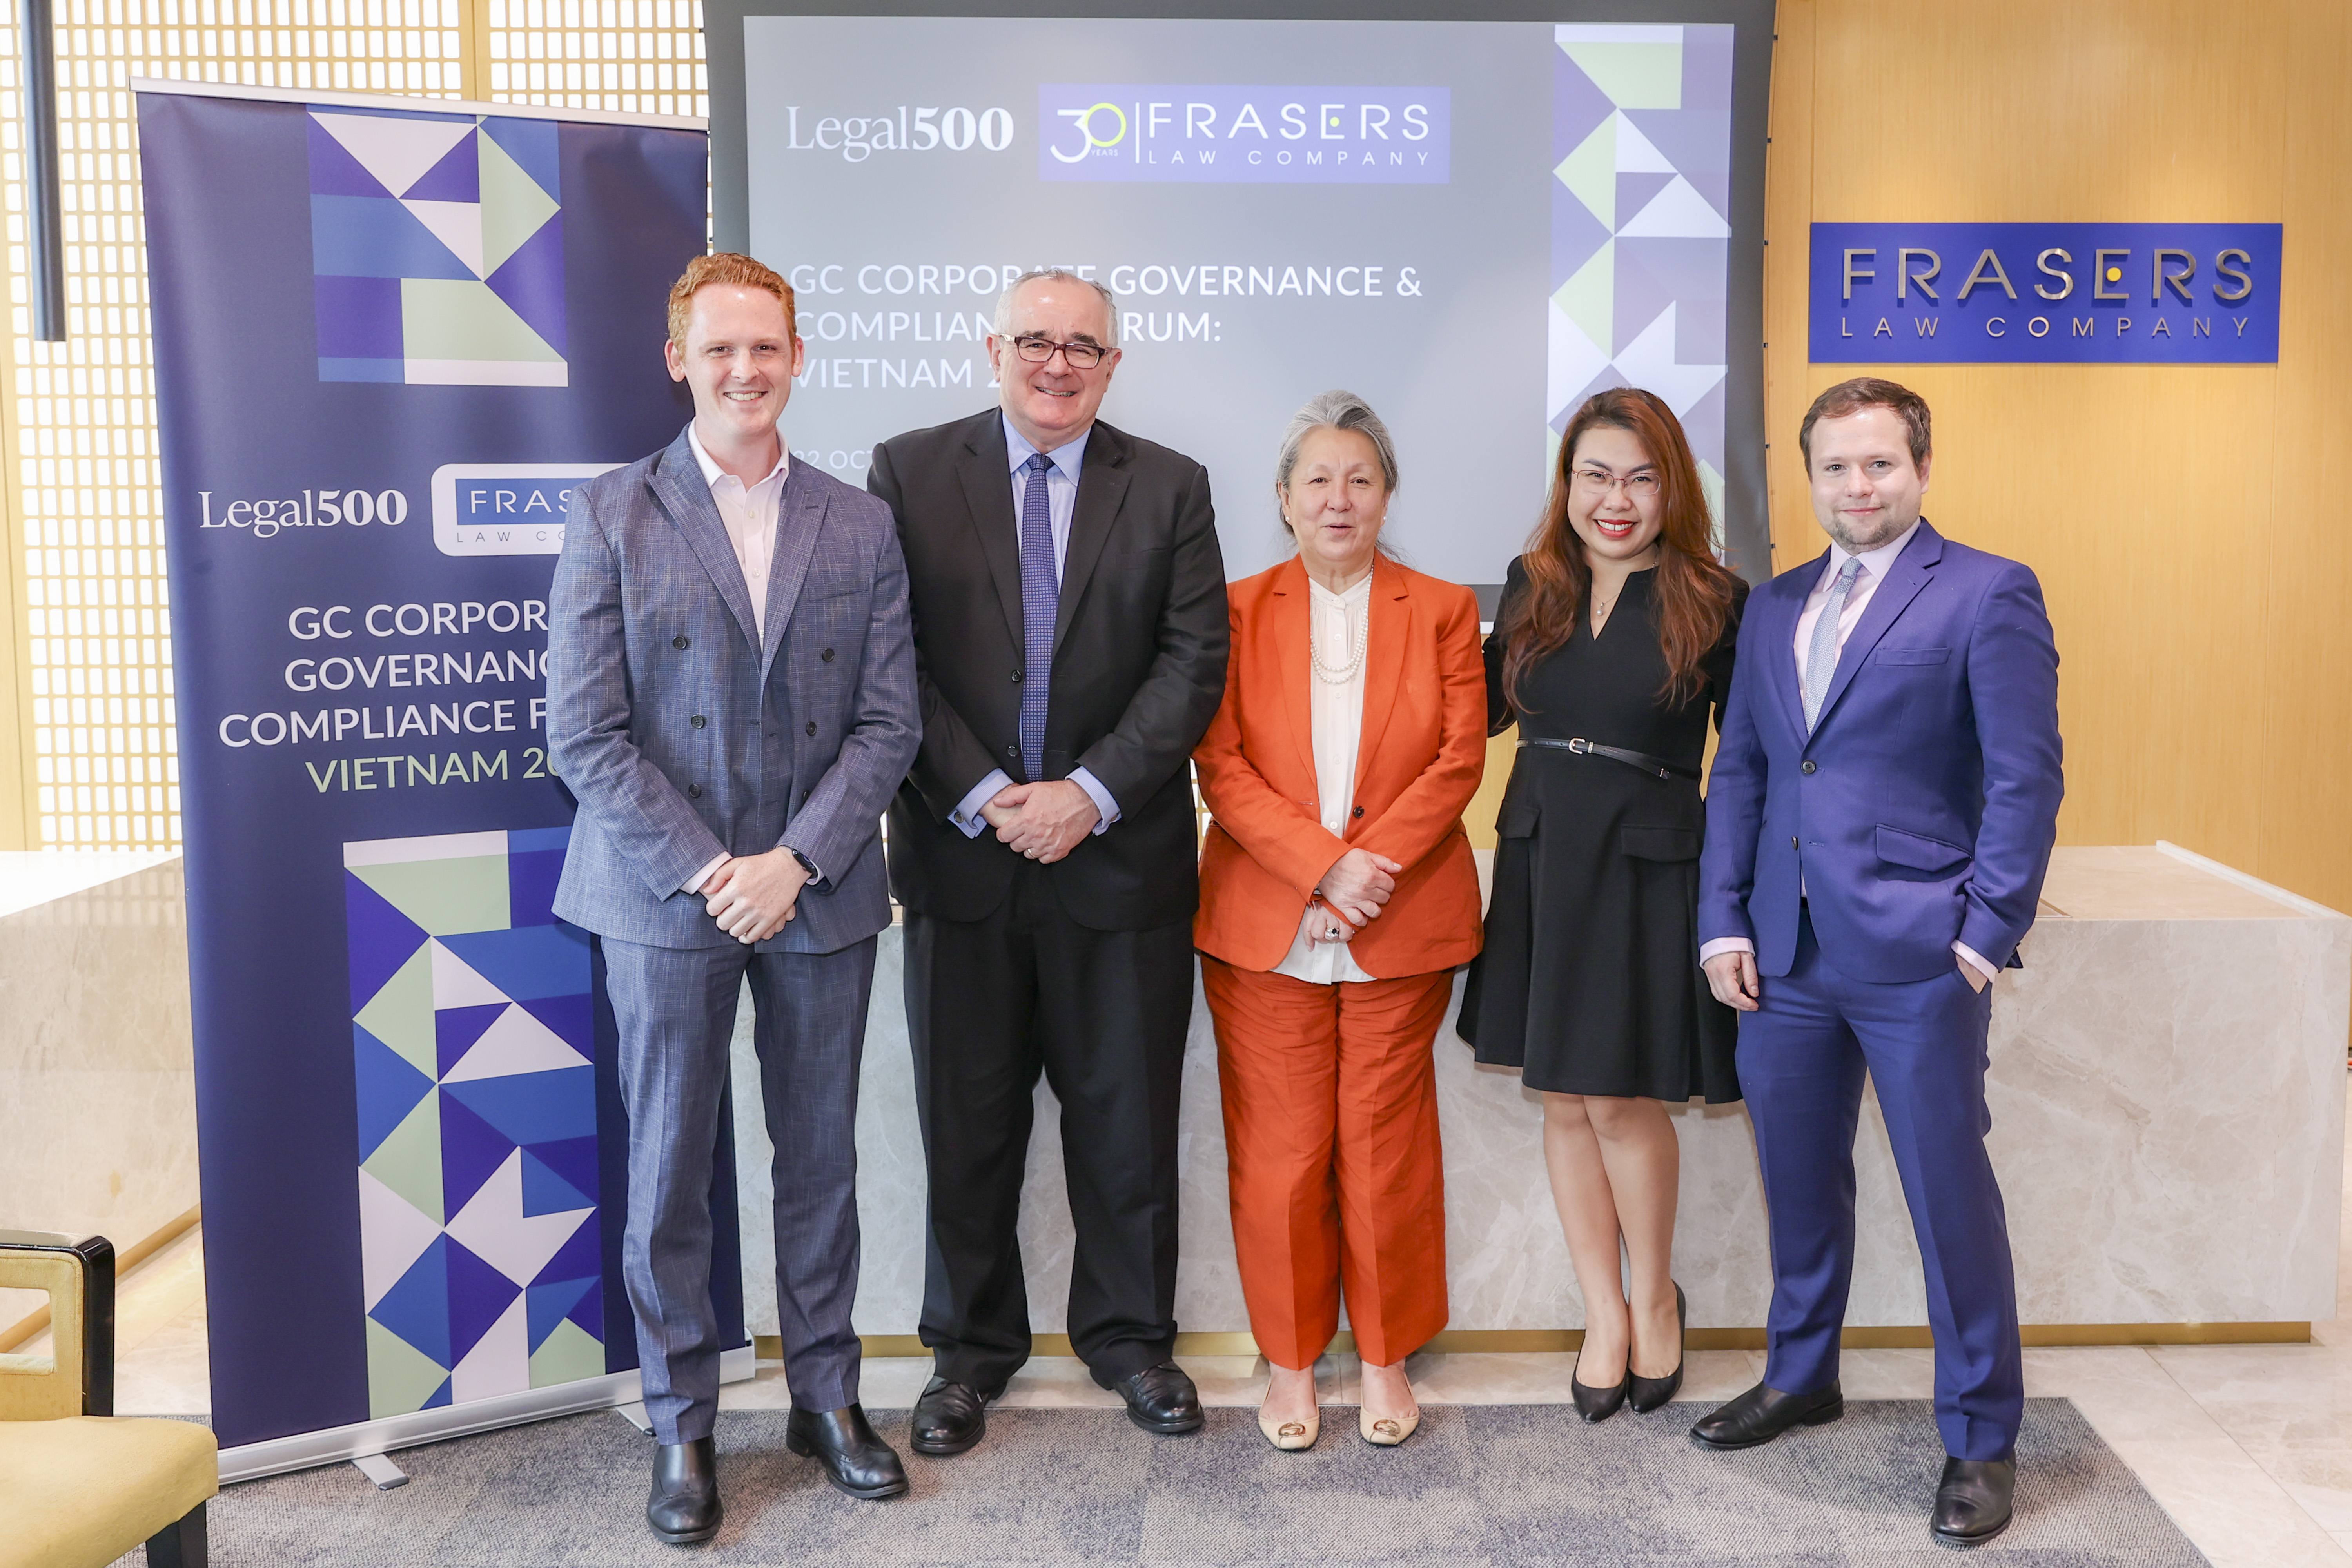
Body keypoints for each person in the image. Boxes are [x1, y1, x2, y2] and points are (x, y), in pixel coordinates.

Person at [546, 253, 920, 1543]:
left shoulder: (860, 522)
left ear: (797, 357)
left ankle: (827, 1400)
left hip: (818, 889)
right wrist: (717, 870)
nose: (745, 370)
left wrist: (794, 862)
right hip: (665, 896)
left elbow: (890, 722)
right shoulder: (612, 513)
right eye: (720, 350)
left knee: (820, 1159)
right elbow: (583, 735)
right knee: (668, 1170)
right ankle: (682, 1425)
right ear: (680, 362)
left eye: (766, 348)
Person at [1691, 377, 2062, 1546]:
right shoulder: (1772, 606)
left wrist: (1982, 938)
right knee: (1800, 1182)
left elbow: (2027, 777)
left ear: (1922, 469)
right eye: (1837, 468)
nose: (1859, 487)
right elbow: (1745, 772)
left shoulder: (1989, 591)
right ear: (1808, 478)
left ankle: (1983, 1434)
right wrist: (1724, 921)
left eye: (1880, 464)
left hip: (1920, 961)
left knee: (1949, 1197)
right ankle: (1803, 1376)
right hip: (1784, 956)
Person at [866, 268, 1229, 1453]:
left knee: (1126, 1127)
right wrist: (984, 796)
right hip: (962, 861)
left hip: (1118, 862)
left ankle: (1133, 1342)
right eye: (1036, 340)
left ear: (1113, 365)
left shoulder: (1170, 485)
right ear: (994, 350)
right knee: (967, 1129)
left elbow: (1192, 663)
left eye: (1083, 346)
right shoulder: (909, 472)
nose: (1057, 363)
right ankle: (968, 1356)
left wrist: (1087, 794)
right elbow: (892, 658)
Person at [1192, 391, 1485, 1452]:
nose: (1339, 498)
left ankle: (1386, 1355)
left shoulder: (1443, 607)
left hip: (1398, 920)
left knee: (1383, 1149)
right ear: (1284, 499)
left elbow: (1459, 756)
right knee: (1278, 1154)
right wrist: (1323, 867)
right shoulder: (1232, 609)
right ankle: (1288, 1360)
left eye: (1360, 478)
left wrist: (1366, 873)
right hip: (1265, 922)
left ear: (1388, 495)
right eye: (1317, 479)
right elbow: (1220, 763)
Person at [1457, 387, 1747, 1423]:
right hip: (1543, 853)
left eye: (1640, 478)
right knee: (1566, 1098)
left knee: (1621, 1099)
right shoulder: (1530, 583)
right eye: (1595, 476)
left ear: (1673, 488)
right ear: (1567, 484)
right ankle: (1603, 1314)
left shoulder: (1717, 597)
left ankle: (1656, 1296)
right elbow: (1470, 713)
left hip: (1649, 861)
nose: (1615, 500)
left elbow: (1750, 763)